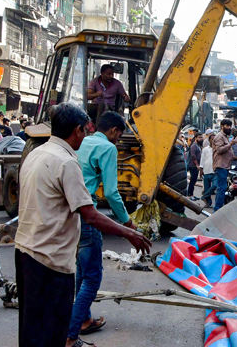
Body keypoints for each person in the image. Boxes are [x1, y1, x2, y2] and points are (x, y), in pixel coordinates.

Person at [13, 103, 150, 347]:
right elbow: (90, 215)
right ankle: (71, 334)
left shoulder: (36, 153)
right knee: (53, 327)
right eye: (84, 132)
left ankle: (77, 326)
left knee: (32, 326)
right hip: (49, 259)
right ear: (77, 130)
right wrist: (129, 231)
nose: (85, 137)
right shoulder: (67, 162)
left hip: (25, 250)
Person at [68, 111, 137, 344]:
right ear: (114, 131)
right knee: (92, 278)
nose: (118, 140)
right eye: (119, 136)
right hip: (88, 215)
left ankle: (85, 320)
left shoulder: (82, 141)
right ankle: (70, 332)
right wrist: (127, 222)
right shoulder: (108, 148)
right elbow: (111, 192)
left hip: (71, 215)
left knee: (81, 272)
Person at [213, 119, 235, 210]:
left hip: (224, 166)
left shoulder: (225, 136)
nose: (229, 127)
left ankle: (218, 209)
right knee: (221, 188)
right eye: (227, 125)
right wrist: (230, 144)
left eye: (230, 126)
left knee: (221, 188)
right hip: (220, 165)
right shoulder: (220, 136)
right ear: (222, 126)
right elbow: (219, 150)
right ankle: (217, 210)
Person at [200, 133, 216, 207]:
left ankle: (204, 196)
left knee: (215, 185)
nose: (213, 141)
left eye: (214, 139)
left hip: (214, 171)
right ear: (209, 140)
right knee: (207, 187)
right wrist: (201, 169)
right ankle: (208, 202)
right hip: (206, 170)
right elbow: (202, 160)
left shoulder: (217, 149)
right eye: (212, 139)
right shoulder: (205, 149)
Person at [188, 133, 203, 200]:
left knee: (194, 180)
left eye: (201, 137)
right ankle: (189, 195)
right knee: (192, 180)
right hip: (193, 166)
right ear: (196, 138)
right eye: (199, 137)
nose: (201, 139)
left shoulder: (198, 145)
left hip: (196, 166)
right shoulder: (194, 146)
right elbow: (193, 156)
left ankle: (192, 194)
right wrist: (197, 165)